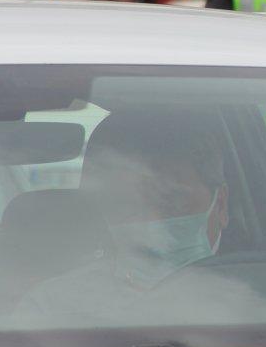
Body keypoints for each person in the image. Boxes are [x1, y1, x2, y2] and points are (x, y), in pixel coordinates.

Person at [19, 112, 230, 314]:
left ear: (220, 205)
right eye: (126, 205)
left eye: (172, 202)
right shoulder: (51, 307)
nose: (151, 223)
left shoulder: (258, 296)